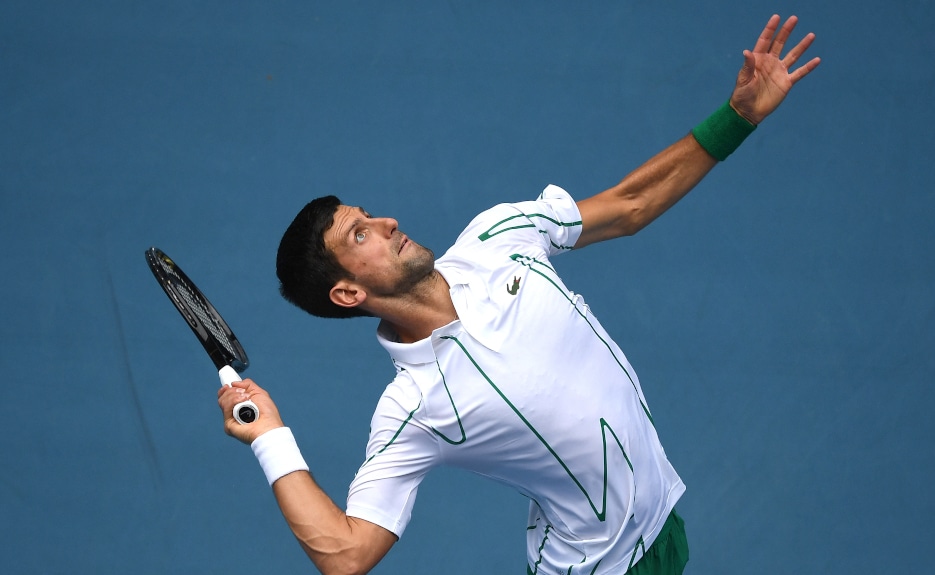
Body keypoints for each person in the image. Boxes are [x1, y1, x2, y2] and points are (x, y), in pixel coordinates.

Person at [218, 14, 819, 575]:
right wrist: (270, 434)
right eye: (360, 234)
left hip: (662, 525)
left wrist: (738, 116)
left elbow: (630, 205)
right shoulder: (414, 407)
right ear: (347, 293)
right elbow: (346, 554)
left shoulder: (498, 233)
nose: (388, 223)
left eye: (370, 215)